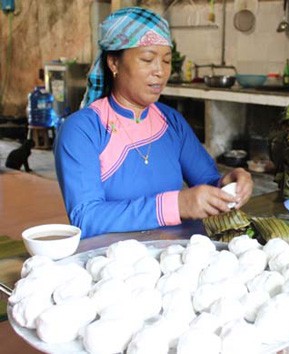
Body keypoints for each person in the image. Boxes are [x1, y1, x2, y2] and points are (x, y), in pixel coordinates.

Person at [54, 7, 253, 239]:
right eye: (148, 59)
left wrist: (228, 185)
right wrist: (175, 205)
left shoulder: (170, 121)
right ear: (114, 63)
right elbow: (86, 218)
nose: (160, 71)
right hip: (115, 263)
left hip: (177, 257)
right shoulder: (83, 130)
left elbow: (208, 182)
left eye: (167, 61)